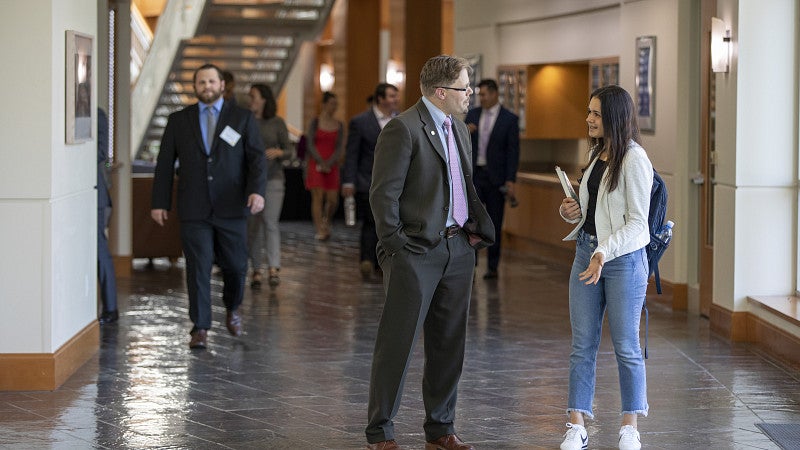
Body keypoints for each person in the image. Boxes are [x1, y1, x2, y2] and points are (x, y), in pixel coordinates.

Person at [365, 55, 495, 450]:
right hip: (415, 254)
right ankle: (381, 431)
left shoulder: (459, 127)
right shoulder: (402, 129)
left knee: (448, 343)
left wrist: (469, 238)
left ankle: (440, 429)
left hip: (458, 249)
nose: (470, 93)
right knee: (398, 343)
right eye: (464, 87)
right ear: (442, 92)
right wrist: (397, 247)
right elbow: (382, 195)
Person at [557, 85, 652, 450]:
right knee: (582, 344)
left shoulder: (634, 160)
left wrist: (604, 253)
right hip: (586, 254)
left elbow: (637, 224)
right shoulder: (597, 155)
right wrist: (571, 212)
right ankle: (576, 422)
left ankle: (630, 425)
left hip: (622, 263)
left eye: (596, 114)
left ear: (614, 116)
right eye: (589, 112)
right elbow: (594, 212)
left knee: (626, 345)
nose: (589, 119)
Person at [151, 63, 266, 350]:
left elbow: (257, 159)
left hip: (232, 206)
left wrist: (256, 192)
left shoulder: (241, 118)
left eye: (212, 81)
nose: (207, 86)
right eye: (201, 82)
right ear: (195, 87)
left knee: (237, 265)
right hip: (194, 207)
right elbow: (165, 163)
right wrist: (159, 202)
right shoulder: (179, 120)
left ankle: (232, 308)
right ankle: (200, 327)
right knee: (198, 267)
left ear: (222, 85)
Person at [342, 83, 399, 277]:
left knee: (389, 222)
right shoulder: (360, 122)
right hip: (368, 180)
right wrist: (348, 181)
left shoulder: (399, 120)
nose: (395, 100)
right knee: (370, 221)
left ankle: (383, 261)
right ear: (380, 98)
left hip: (394, 183)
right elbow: (352, 154)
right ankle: (367, 260)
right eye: (391, 96)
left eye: (395, 96)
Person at [464, 79, 520, 279]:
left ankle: (493, 266)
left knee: (495, 221)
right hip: (475, 175)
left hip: (496, 177)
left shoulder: (509, 119)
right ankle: (472, 262)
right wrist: (465, 132)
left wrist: (510, 180)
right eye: (480, 94)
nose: (482, 98)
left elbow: (513, 152)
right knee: (472, 221)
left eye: (485, 94)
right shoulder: (472, 115)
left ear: (495, 94)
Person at [246, 83, 290, 288]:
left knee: (270, 222)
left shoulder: (277, 122)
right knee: (253, 225)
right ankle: (256, 268)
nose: (251, 100)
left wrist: (279, 153)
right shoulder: (245, 121)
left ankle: (274, 267)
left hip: (273, 178)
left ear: (264, 99)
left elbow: (289, 150)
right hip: (251, 180)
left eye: (254, 96)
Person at [304, 91, 344, 241]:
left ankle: (327, 219)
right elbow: (310, 143)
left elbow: (339, 146)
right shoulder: (315, 122)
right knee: (318, 197)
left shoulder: (339, 125)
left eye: (336, 104)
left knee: (333, 199)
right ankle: (319, 227)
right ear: (324, 104)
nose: (334, 107)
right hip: (316, 163)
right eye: (332, 103)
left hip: (332, 164)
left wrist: (331, 161)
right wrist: (320, 161)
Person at [96, 107, 118, 325]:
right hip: (78, 194)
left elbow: (101, 153)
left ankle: (111, 307)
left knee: (99, 248)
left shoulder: (97, 115)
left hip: (95, 195)